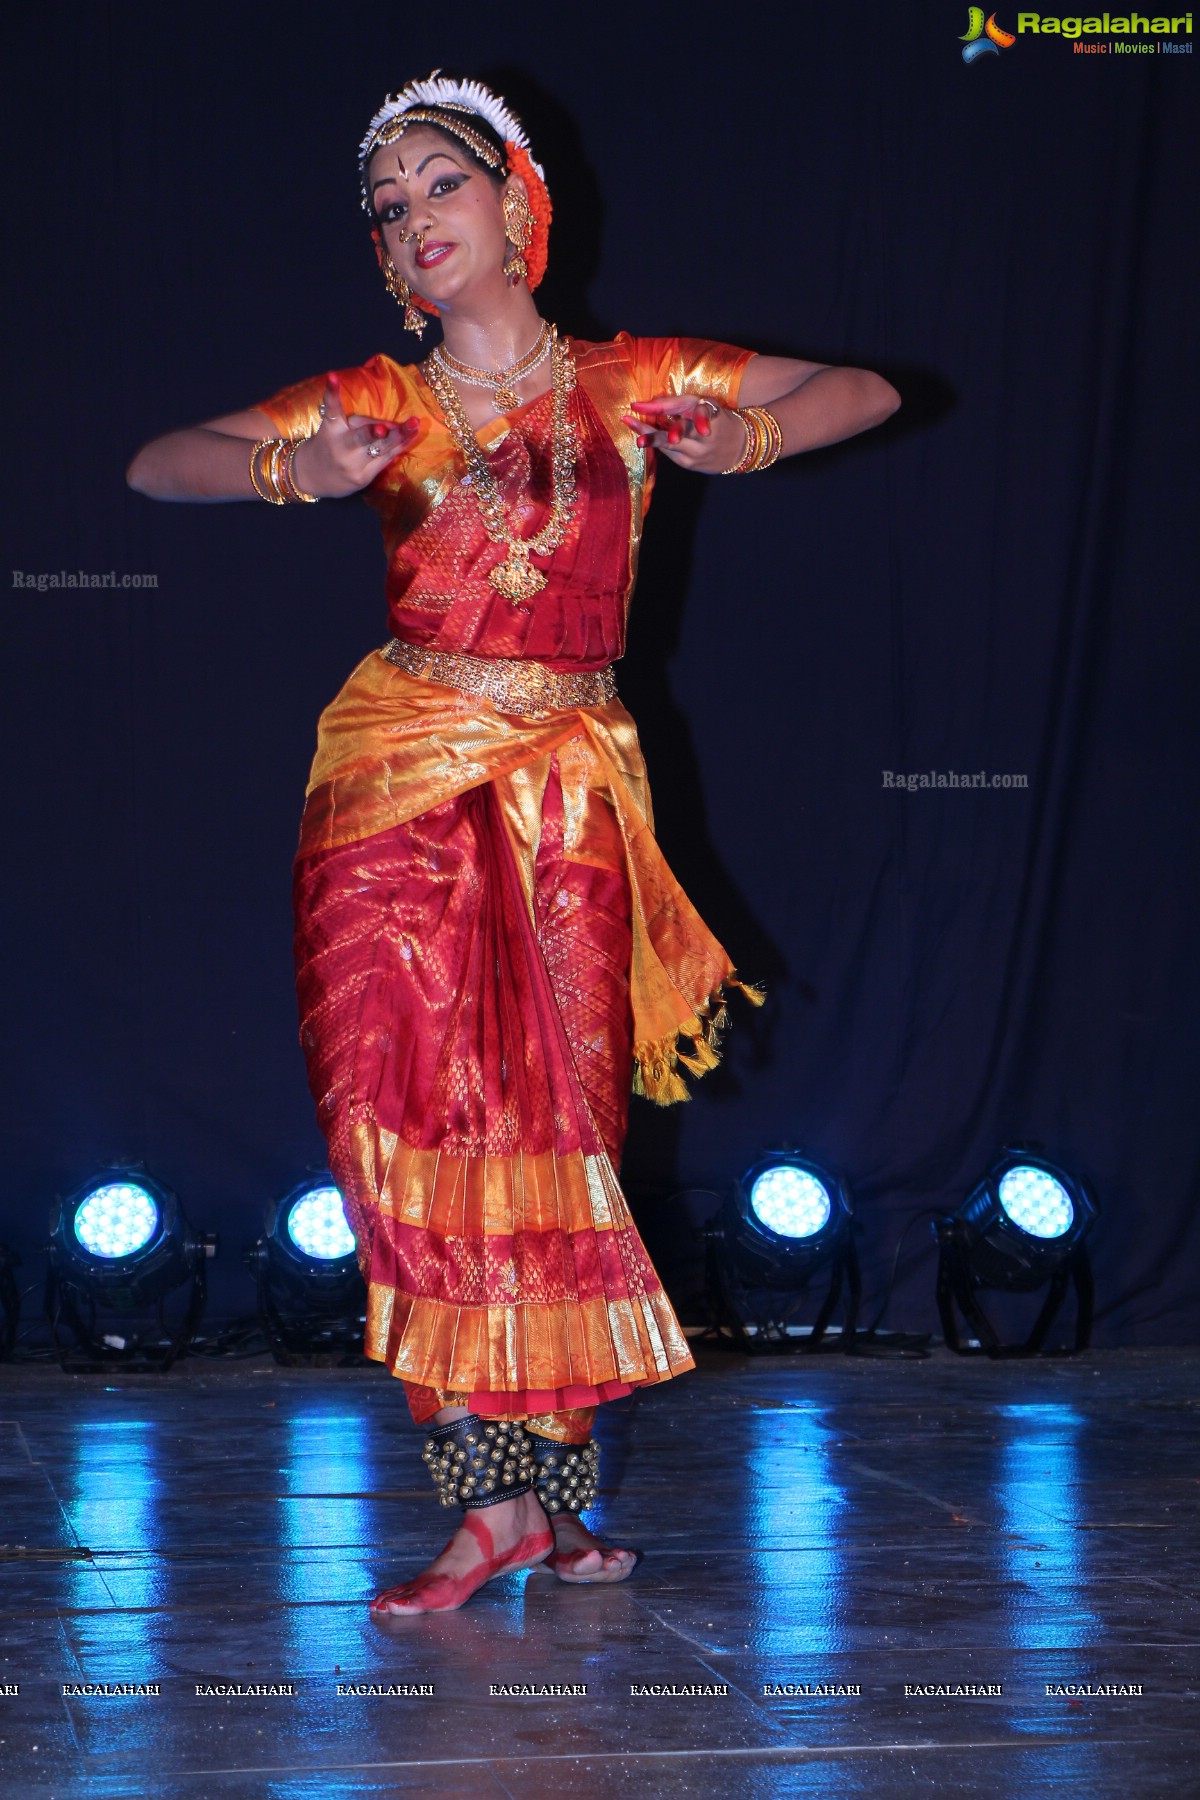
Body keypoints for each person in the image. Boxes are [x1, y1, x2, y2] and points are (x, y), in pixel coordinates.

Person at [127, 71, 900, 1615]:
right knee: (401, 1126)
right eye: (390, 206)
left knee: (559, 1139)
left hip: (566, 796)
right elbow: (162, 459)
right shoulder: (383, 404)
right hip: (396, 789)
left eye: (440, 185)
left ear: (516, 203)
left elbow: (860, 393)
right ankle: (482, 1505)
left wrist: (747, 441)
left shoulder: (632, 381)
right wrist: (296, 467)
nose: (414, 219)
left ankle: (547, 1502)